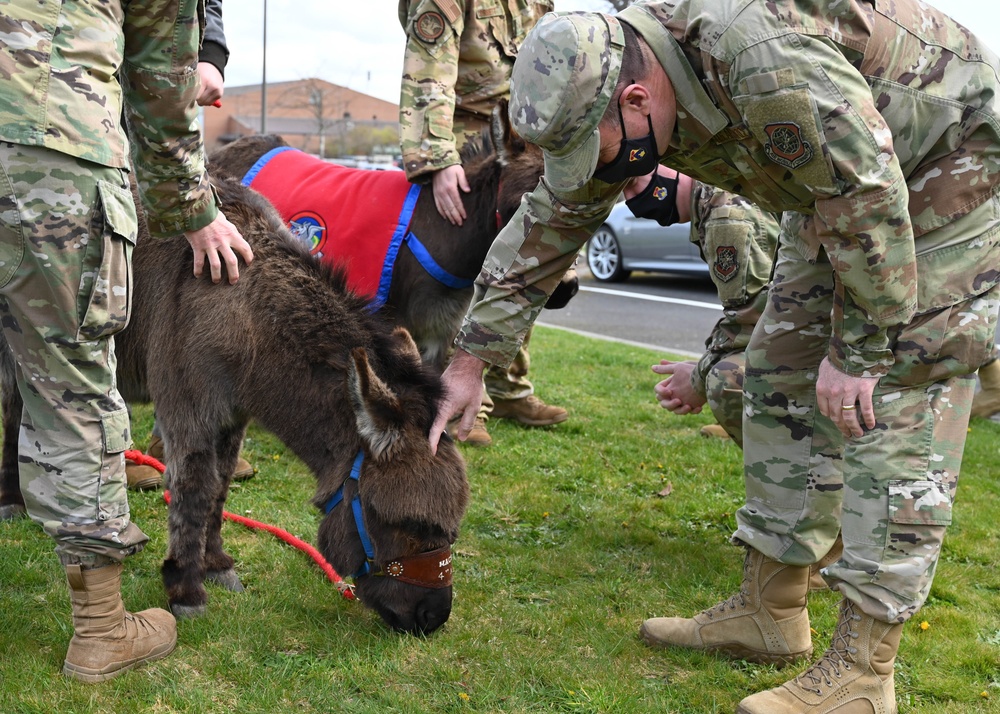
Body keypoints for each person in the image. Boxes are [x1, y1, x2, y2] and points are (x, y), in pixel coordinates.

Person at [429, 2, 1000, 711]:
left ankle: (863, 673)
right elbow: (554, 218)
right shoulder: (617, 90)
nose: (599, 170)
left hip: (940, 161)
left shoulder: (759, 57)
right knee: (777, 370)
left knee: (896, 387)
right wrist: (469, 361)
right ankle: (772, 610)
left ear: (637, 98)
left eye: (596, 148)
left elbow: (868, 187)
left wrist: (860, 349)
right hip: (832, 186)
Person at [0, 0, 254, 682]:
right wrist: (189, 209)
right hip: (48, 154)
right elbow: (161, 72)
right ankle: (102, 630)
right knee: (73, 391)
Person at [398, 0, 568, 447]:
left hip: (525, 142)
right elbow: (427, 64)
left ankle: (509, 387)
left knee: (523, 262)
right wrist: (436, 157)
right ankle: (460, 400)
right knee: (467, 277)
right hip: (466, 143)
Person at [124, 0, 256, 491]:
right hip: (105, 93)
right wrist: (195, 212)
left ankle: (165, 436)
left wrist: (210, 54)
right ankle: (102, 447)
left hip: (170, 86)